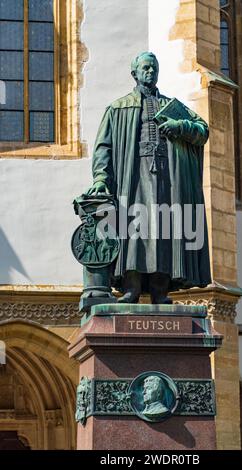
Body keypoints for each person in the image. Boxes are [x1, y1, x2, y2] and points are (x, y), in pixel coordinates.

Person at [85, 52, 211, 304]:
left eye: (154, 68)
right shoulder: (118, 108)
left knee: (165, 232)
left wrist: (180, 127)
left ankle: (160, 291)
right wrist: (100, 178)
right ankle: (131, 288)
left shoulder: (172, 106)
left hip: (167, 178)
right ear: (135, 73)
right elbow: (104, 148)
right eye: (145, 68)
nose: (150, 72)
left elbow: (202, 130)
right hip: (132, 178)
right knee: (134, 231)